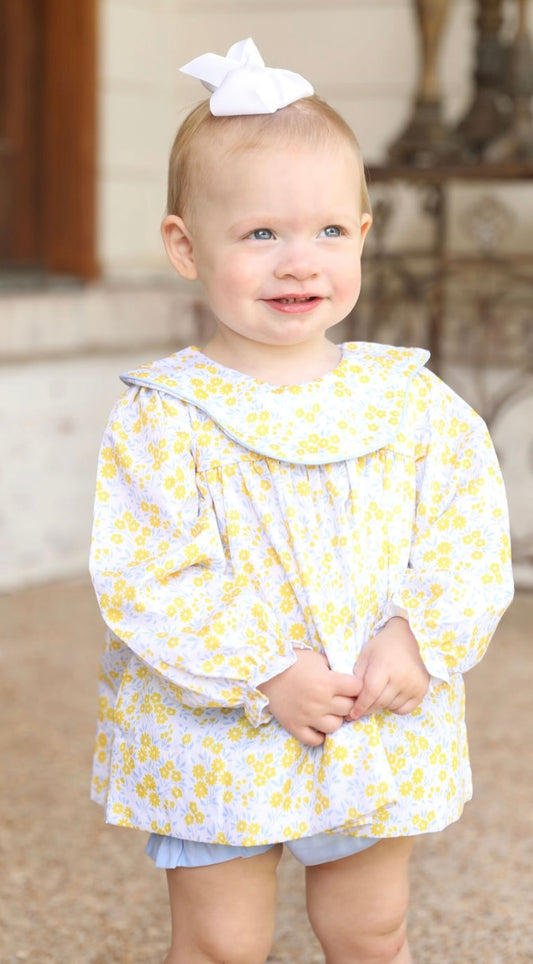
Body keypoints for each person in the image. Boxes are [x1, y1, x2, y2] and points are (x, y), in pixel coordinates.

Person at [89, 38, 514, 964]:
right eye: (259, 234)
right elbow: (147, 573)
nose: (298, 262)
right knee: (221, 945)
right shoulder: (167, 415)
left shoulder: (410, 402)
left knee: (369, 929)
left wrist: (418, 635)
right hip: (222, 729)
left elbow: (465, 535)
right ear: (183, 246)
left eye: (327, 231)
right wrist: (263, 672)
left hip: (371, 720)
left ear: (362, 237)